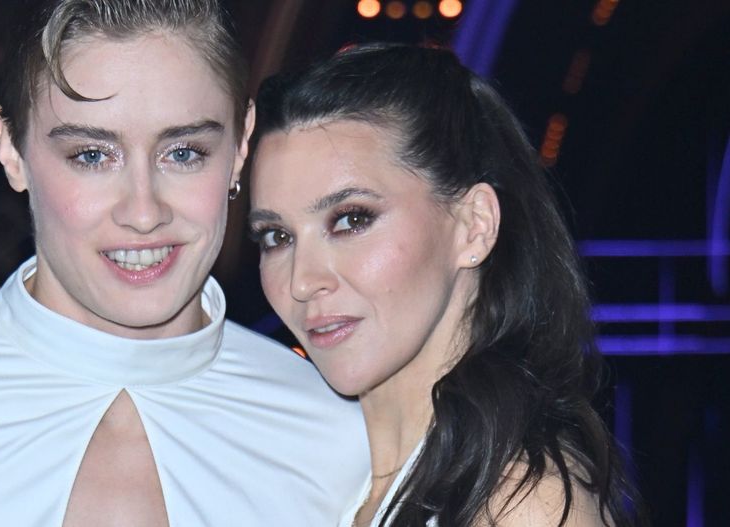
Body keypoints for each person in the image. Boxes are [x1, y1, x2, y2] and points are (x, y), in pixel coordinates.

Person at [0, 1, 369, 525]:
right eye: (92, 155)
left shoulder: (341, 443)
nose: (142, 212)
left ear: (241, 145)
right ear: (11, 148)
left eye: (184, 152)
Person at [248, 43, 643, 527]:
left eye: (351, 219)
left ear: (473, 226)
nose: (302, 281)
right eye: (277, 237)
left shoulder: (524, 505)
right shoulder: (315, 485)